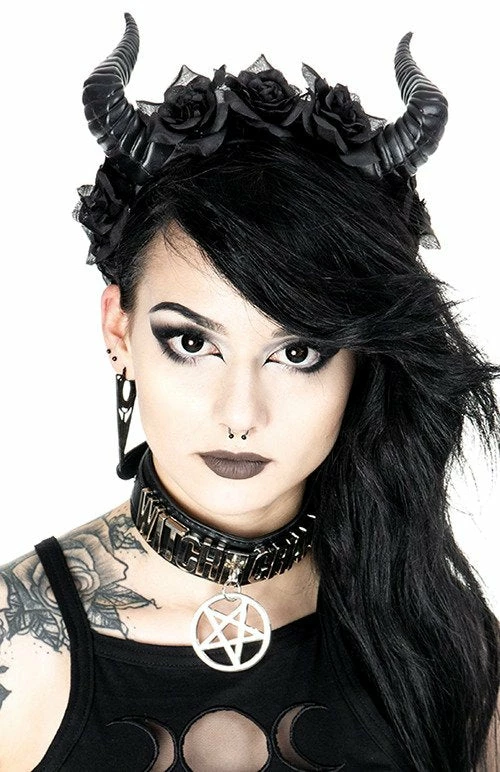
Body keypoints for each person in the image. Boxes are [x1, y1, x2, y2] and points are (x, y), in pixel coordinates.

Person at [0, 11, 498, 771]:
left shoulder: (445, 639)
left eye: (296, 352)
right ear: (119, 329)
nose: (240, 413)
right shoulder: (18, 639)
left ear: (361, 358)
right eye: (192, 343)